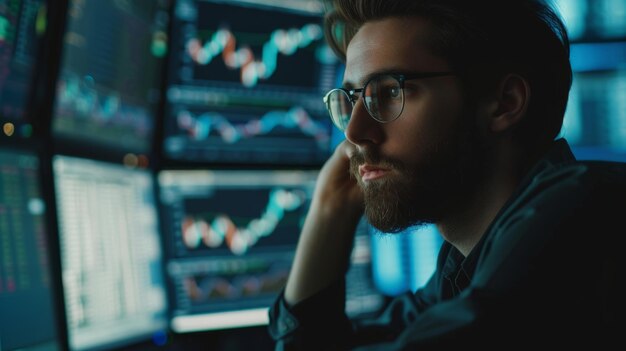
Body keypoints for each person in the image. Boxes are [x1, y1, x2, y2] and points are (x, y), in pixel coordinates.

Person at [268, 0, 625, 349]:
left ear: (505, 102)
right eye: (351, 98)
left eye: (390, 92)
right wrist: (329, 210)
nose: (355, 132)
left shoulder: (581, 214)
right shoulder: (461, 270)